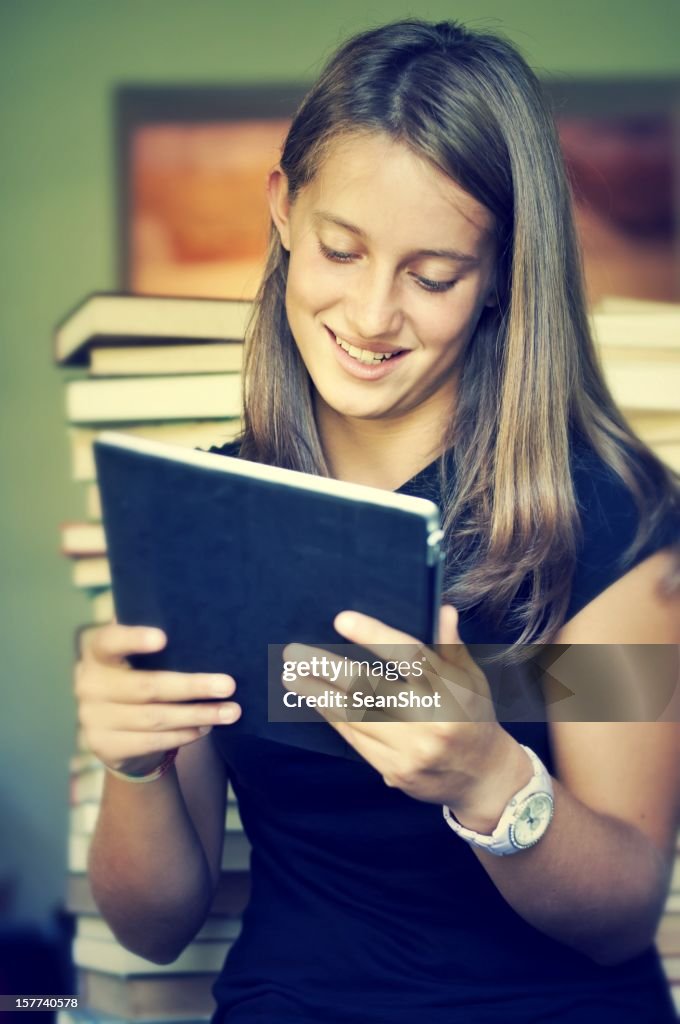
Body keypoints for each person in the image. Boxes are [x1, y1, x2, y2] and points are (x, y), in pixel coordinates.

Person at [76, 19, 680, 1023]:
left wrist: (488, 780)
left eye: (432, 275)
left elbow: (621, 907)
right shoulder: (208, 520)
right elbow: (152, 925)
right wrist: (129, 760)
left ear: (498, 277)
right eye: (340, 249)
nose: (368, 315)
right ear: (281, 209)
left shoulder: (607, 519)